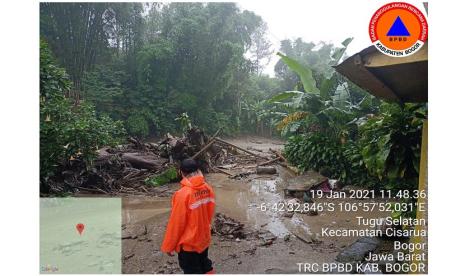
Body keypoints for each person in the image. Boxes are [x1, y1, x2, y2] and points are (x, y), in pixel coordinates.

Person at [161, 158, 216, 274]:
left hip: (189, 244)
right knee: (205, 265)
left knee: (192, 270)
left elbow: (177, 223)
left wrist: (169, 246)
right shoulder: (207, 188)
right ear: (198, 170)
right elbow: (209, 214)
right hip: (204, 238)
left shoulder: (182, 194)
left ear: (182, 173)